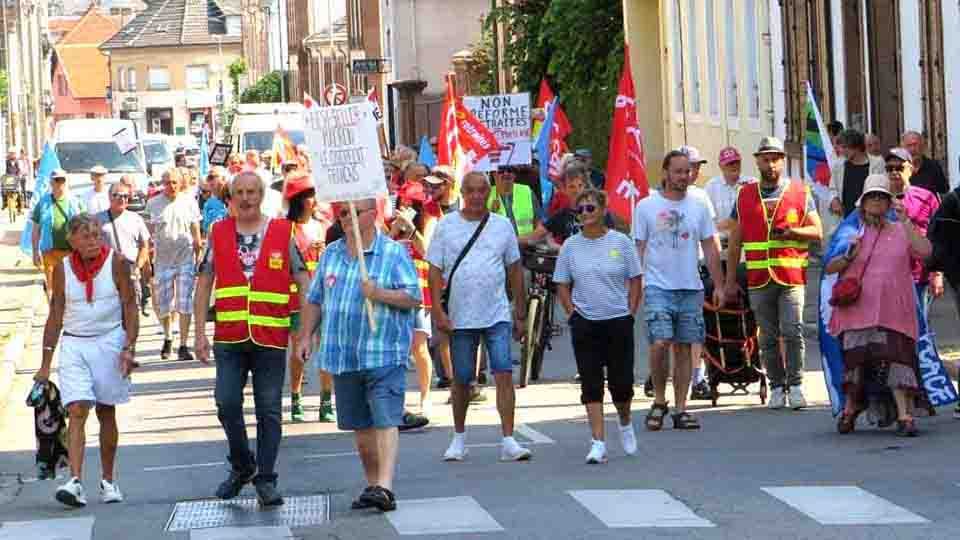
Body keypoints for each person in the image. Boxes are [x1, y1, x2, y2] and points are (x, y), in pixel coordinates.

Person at [194, 171, 311, 506]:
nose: (246, 199)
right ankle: (243, 464)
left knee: (269, 410)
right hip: (229, 336)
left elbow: (303, 279)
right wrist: (199, 333)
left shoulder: (281, 231)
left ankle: (266, 478)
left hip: (270, 337)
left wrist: (304, 331)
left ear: (262, 195)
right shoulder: (218, 232)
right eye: (239, 192)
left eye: (252, 192)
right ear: (230, 197)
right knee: (227, 402)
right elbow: (204, 283)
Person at [298, 198, 420, 513]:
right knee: (361, 428)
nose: (346, 217)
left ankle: (385, 486)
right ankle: (373, 485)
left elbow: (412, 297)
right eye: (341, 213)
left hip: (382, 353)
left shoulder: (392, 252)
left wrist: (379, 293)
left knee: (385, 419)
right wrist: (306, 335)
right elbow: (314, 300)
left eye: (354, 211)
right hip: (343, 355)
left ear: (373, 214)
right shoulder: (331, 254)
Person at [34, 213, 139, 507]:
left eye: (96, 234)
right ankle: (76, 482)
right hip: (75, 345)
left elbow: (130, 305)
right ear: (72, 241)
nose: (93, 240)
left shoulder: (116, 263)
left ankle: (108, 480)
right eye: (86, 236)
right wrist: (45, 363)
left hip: (109, 342)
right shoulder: (62, 269)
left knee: (106, 411)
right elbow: (55, 314)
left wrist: (129, 346)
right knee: (77, 409)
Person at [428, 171, 532, 462]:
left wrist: (520, 314)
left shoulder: (501, 226)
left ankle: (509, 440)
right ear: (462, 192)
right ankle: (459, 438)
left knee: (503, 373)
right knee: (461, 379)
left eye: (481, 191)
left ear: (489, 193)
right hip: (461, 317)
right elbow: (435, 270)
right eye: (470, 190)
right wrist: (437, 309)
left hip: (496, 313)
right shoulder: (446, 226)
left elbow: (514, 269)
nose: (475, 196)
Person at [826, 175, 932, 436]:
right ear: (862, 203)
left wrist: (906, 220)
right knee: (856, 364)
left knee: (897, 361)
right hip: (856, 312)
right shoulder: (850, 231)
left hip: (894, 312)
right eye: (872, 197)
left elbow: (925, 251)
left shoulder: (900, 230)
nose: (876, 201)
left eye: (881, 197)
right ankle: (850, 410)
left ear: (888, 202)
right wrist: (848, 255)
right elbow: (829, 266)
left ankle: (905, 416)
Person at [725, 136, 823, 410]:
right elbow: (735, 241)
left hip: (791, 277)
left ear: (783, 160)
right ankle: (777, 387)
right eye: (765, 158)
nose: (770, 164)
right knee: (766, 336)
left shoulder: (800, 192)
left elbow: (818, 233)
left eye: (775, 158)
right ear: (756, 160)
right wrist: (730, 280)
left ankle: (797, 384)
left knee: (792, 331)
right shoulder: (744, 195)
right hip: (758, 279)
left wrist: (793, 232)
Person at [634, 151, 724, 431]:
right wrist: (634, 288)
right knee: (660, 343)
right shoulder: (647, 206)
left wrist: (720, 284)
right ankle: (659, 400)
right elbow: (637, 248)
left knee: (685, 347)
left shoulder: (698, 206)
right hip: (657, 286)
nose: (683, 177)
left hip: (690, 287)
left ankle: (680, 408)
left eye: (687, 172)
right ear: (665, 172)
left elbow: (710, 245)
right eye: (678, 171)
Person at [554, 189, 642, 463]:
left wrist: (630, 311)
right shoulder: (570, 246)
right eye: (580, 210)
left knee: (622, 384)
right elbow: (562, 283)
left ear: (603, 210)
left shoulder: (621, 242)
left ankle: (625, 422)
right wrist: (571, 312)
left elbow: (635, 278)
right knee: (591, 383)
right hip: (586, 322)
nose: (584, 214)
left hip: (618, 320)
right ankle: (598, 441)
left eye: (590, 208)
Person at [283, 171, 335, 423]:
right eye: (310, 196)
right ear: (299, 199)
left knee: (327, 349)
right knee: (300, 350)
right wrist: (305, 249)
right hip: (297, 299)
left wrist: (324, 251)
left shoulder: (323, 225)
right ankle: (295, 396)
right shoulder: (285, 229)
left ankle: (326, 399)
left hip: (325, 294)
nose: (315, 201)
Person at [389, 180, 440, 429]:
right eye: (404, 202)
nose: (406, 206)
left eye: (412, 203)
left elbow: (428, 251)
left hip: (419, 292)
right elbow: (382, 250)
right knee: (397, 350)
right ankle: (396, 401)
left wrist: (410, 231)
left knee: (419, 347)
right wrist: (393, 231)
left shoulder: (429, 221)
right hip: (394, 294)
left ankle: (425, 397)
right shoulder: (391, 224)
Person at [146, 168, 202, 361]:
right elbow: (148, 233)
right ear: (163, 183)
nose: (171, 186)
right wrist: (147, 260)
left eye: (175, 183)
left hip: (185, 259)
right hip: (163, 261)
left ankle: (184, 345)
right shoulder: (153, 204)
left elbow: (195, 228)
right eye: (168, 183)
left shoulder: (189, 202)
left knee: (184, 303)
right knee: (163, 304)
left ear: (181, 183)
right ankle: (168, 337)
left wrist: (198, 252)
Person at [884, 147, 944, 314]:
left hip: (919, 275)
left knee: (921, 328)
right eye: (889, 169)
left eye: (899, 168)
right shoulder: (878, 199)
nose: (894, 173)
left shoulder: (926, 197)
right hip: (887, 276)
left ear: (911, 169)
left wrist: (937, 273)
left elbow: (939, 236)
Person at [96, 181, 151, 315]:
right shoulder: (97, 219)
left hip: (130, 272)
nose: (122, 199)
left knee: (132, 312)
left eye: (126, 196)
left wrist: (138, 267)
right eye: (117, 195)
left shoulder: (135, 218)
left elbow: (144, 246)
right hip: (107, 272)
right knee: (110, 313)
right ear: (109, 197)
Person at [32, 169, 85, 300]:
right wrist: (34, 252)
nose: (60, 182)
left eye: (62, 179)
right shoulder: (43, 202)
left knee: (72, 286)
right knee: (52, 288)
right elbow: (35, 229)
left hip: (72, 252)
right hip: (49, 252)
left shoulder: (75, 201)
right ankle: (55, 315)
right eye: (57, 180)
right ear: (51, 182)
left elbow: (85, 226)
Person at [704, 147, 757, 249]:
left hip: (747, 243)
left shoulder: (752, 183)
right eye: (729, 163)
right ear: (720, 166)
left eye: (737, 162)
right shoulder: (711, 187)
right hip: (722, 243)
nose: (734, 166)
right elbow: (706, 220)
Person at [829, 129, 885, 217]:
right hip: (846, 220)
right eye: (840, 147)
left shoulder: (877, 163)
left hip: (870, 218)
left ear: (857, 146)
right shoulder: (839, 165)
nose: (842, 151)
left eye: (845, 147)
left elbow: (882, 189)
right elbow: (832, 188)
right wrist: (834, 199)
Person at [487, 166, 543, 247]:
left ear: (515, 174)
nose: (506, 173)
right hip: (499, 251)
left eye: (510, 170)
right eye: (501, 170)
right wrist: (491, 212)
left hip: (527, 250)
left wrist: (531, 239)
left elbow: (539, 223)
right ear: (494, 174)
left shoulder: (527, 191)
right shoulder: (486, 195)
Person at [901, 130, 950, 196]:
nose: (912, 149)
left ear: (922, 146)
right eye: (909, 146)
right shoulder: (898, 168)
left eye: (915, 145)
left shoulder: (933, 166)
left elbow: (944, 192)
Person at [202, 167, 230, 234]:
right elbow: (206, 227)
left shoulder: (234, 198)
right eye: (208, 178)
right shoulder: (208, 204)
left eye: (212, 177)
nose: (209, 180)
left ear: (224, 178)